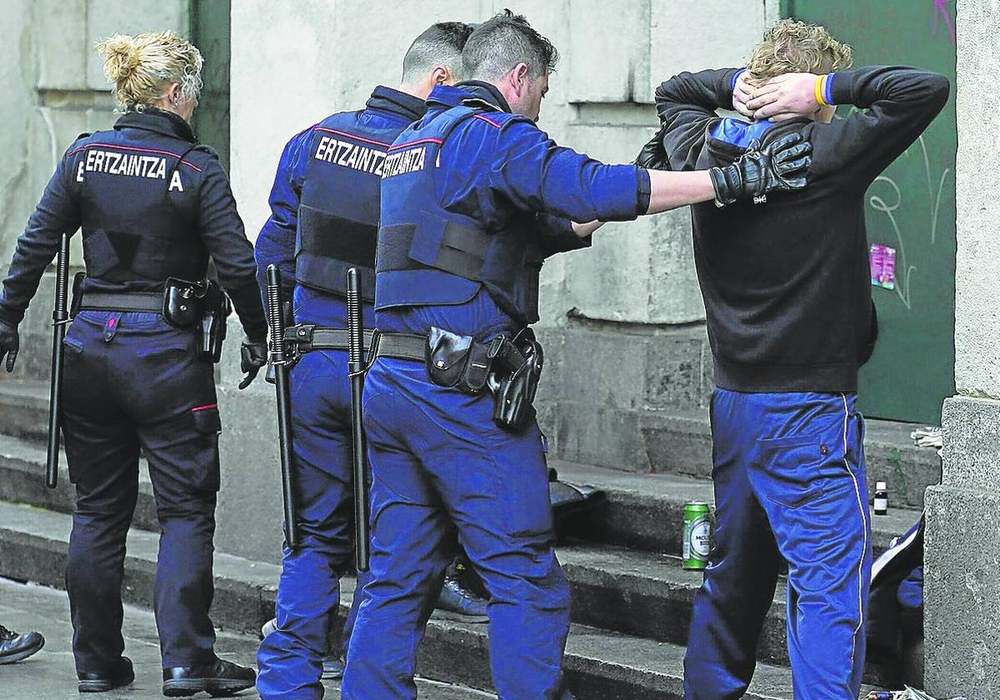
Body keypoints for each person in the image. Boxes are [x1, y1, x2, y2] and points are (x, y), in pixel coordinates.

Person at [341, 11, 811, 700]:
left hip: (396, 383)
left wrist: (639, 181)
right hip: (459, 400)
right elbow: (586, 186)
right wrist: (727, 182)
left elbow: (507, 234)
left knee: (397, 576)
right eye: (541, 93)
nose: (541, 108)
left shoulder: (418, 142)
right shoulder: (494, 135)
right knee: (525, 577)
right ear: (518, 78)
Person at [644, 18, 950, 700]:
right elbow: (924, 88)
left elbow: (675, 89)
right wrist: (818, 86)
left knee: (732, 576)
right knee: (828, 587)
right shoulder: (827, 150)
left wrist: (737, 89)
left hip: (734, 405)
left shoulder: (704, 148)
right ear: (810, 95)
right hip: (810, 412)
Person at [0, 31, 268, 696]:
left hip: (90, 348)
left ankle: (95, 663)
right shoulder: (197, 169)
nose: (197, 103)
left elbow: (34, 244)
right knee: (184, 511)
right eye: (194, 92)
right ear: (174, 93)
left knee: (97, 510)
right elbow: (237, 263)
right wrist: (260, 334)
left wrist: (5, 319)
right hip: (167, 358)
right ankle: (187, 662)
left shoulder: (85, 159)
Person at [253, 21, 486, 699]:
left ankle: (289, 683)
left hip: (313, 363)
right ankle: (370, 679)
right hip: (402, 372)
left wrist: (280, 338)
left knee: (313, 534)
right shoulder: (433, 154)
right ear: (441, 80)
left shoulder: (314, 140)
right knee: (400, 543)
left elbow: (270, 251)